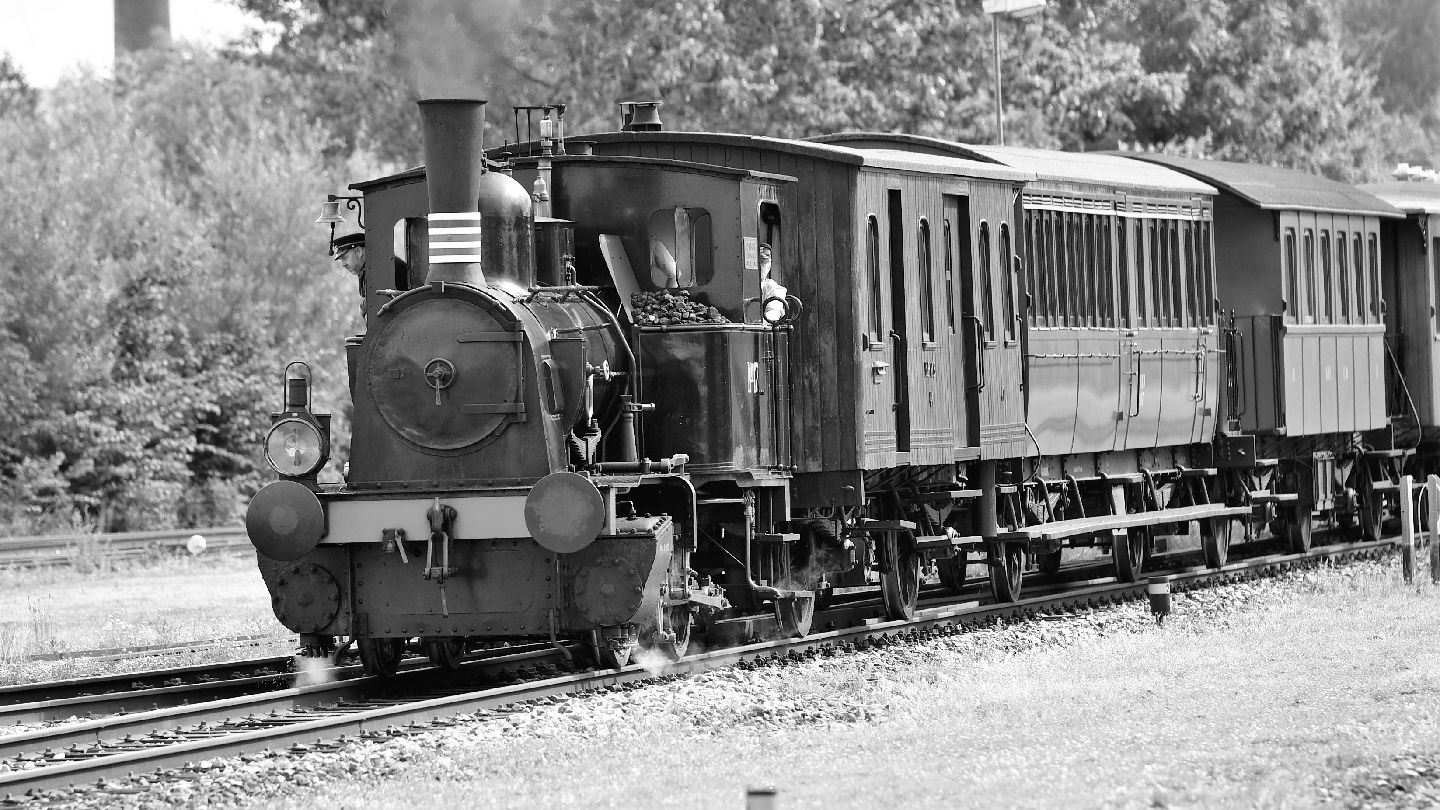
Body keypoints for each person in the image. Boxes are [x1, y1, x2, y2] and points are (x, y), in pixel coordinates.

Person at [332, 232, 368, 317]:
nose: (343, 264)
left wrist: (363, 308)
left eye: (345, 258)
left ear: (358, 251)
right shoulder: (366, 271)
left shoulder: (379, 268)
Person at [759, 243, 788, 322]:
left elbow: (774, 310)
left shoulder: (772, 287)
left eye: (764, 262)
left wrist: (761, 323)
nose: (761, 267)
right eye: (759, 262)